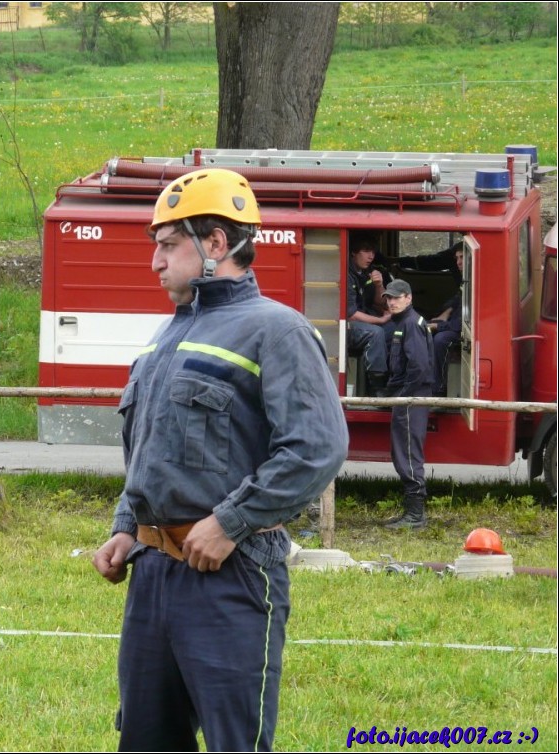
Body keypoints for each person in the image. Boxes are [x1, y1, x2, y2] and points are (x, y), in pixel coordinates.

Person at [91, 168, 348, 752]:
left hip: (230, 574)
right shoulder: (164, 338)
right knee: (145, 741)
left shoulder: (276, 332)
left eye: (167, 244)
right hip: (151, 576)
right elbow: (150, 450)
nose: (155, 262)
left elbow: (316, 447)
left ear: (215, 242)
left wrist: (231, 523)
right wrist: (127, 525)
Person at [381, 279, 435, 529]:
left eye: (396, 297)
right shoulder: (405, 322)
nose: (391, 302)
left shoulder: (411, 324)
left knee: (409, 453)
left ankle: (415, 516)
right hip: (408, 395)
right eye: (389, 298)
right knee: (403, 450)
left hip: (412, 397)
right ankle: (412, 513)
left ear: (408, 298)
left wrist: (404, 395)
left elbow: (419, 367)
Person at [346, 235, 394, 396]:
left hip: (364, 317)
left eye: (373, 252)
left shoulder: (367, 272)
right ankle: (377, 387)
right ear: (354, 252)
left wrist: (379, 285)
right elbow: (351, 315)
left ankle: (394, 378)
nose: (371, 256)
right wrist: (380, 320)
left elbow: (379, 302)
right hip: (345, 326)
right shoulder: (346, 274)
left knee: (396, 328)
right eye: (366, 251)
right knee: (376, 333)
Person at [428, 244, 466, 396]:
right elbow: (457, 299)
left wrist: (438, 327)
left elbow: (459, 325)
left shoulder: (477, 280)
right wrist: (445, 313)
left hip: (465, 330)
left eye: (462, 257)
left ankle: (438, 389)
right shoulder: (466, 279)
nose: (458, 262)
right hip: (455, 321)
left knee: (440, 340)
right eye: (457, 258)